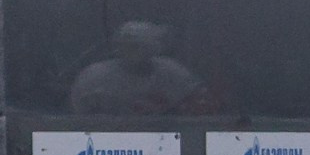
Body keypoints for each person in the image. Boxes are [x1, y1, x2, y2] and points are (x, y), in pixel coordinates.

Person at [69, 21, 210, 117]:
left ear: (156, 47)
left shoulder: (174, 73)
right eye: (126, 44)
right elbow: (76, 116)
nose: (132, 51)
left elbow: (200, 105)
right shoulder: (94, 77)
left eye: (139, 45)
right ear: (117, 47)